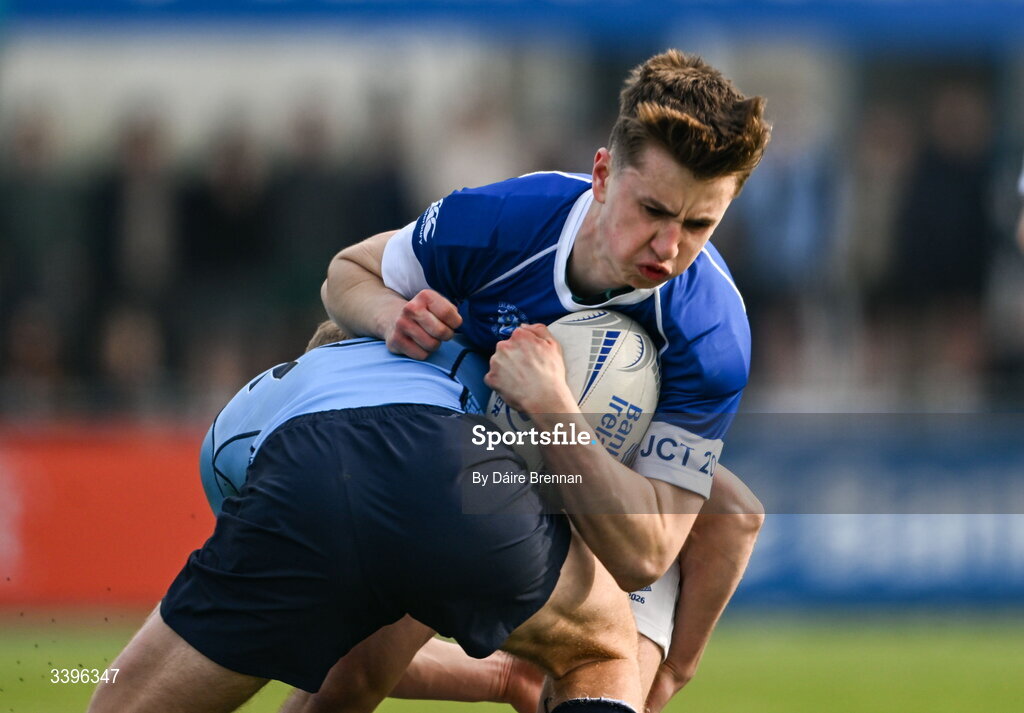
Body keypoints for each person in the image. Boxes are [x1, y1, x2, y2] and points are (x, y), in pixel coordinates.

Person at [322, 48, 769, 708]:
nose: (669, 246)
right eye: (652, 210)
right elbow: (343, 276)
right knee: (348, 675)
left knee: (723, 522)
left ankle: (634, 672)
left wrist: (554, 405)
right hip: (469, 460)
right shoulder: (500, 222)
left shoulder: (712, 330)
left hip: (601, 490)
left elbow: (644, 552)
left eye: (699, 223)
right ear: (602, 175)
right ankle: (508, 674)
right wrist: (394, 315)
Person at [88, 323, 656, 713]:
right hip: (447, 459)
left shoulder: (235, 422)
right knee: (601, 650)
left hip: (300, 472)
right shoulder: (457, 355)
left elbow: (331, 636)